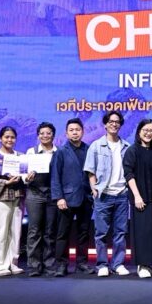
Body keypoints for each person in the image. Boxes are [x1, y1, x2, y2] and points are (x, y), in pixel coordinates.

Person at [85, 110, 132, 277]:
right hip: (103, 194)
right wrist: (94, 189)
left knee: (120, 232)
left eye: (117, 122)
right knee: (101, 233)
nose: (114, 124)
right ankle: (102, 264)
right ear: (105, 124)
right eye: (111, 121)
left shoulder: (126, 146)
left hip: (121, 194)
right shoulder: (96, 145)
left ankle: (118, 263)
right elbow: (90, 170)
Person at [49, 117, 93, 276]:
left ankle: (82, 263)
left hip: (86, 198)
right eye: (71, 130)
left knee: (84, 232)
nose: (75, 133)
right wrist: (59, 197)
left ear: (83, 132)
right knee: (63, 233)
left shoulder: (89, 149)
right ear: (66, 133)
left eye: (78, 130)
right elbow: (55, 176)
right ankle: (61, 264)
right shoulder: (60, 152)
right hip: (66, 199)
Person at [123, 118, 152, 278]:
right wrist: (137, 196)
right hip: (141, 198)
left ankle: (149, 265)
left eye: (151, 130)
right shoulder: (132, 150)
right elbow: (128, 174)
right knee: (142, 233)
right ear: (139, 132)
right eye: (145, 130)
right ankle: (141, 266)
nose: (148, 133)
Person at [0, 126, 25, 276]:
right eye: (6, 137)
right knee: (0, 233)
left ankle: (13, 263)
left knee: (15, 233)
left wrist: (26, 177)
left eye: (12, 137)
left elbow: (25, 176)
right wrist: (6, 183)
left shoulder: (20, 157)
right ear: (0, 138)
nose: (10, 140)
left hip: (17, 197)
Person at [24, 122, 58, 276]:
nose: (45, 136)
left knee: (50, 231)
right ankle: (33, 265)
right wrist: (27, 178)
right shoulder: (31, 152)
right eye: (42, 133)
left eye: (48, 133)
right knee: (34, 230)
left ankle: (49, 264)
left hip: (52, 194)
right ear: (38, 136)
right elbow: (24, 173)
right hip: (34, 193)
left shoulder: (58, 152)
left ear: (53, 135)